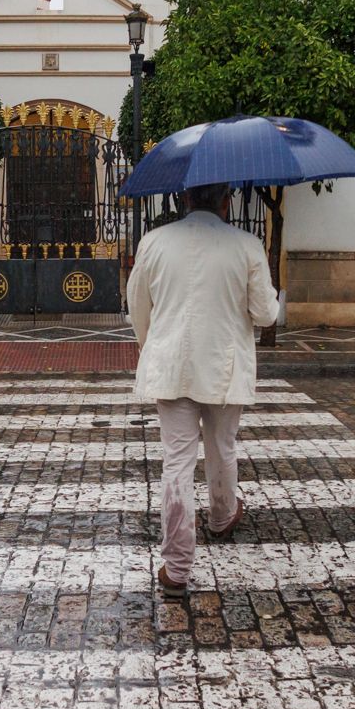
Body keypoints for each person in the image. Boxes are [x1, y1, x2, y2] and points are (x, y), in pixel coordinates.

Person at [127, 183, 281, 599]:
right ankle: (221, 516)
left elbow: (138, 305)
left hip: (172, 365)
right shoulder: (247, 245)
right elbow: (266, 314)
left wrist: (152, 345)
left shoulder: (154, 242)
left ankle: (176, 567)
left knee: (177, 462)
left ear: (185, 199)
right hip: (224, 368)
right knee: (222, 447)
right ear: (226, 201)